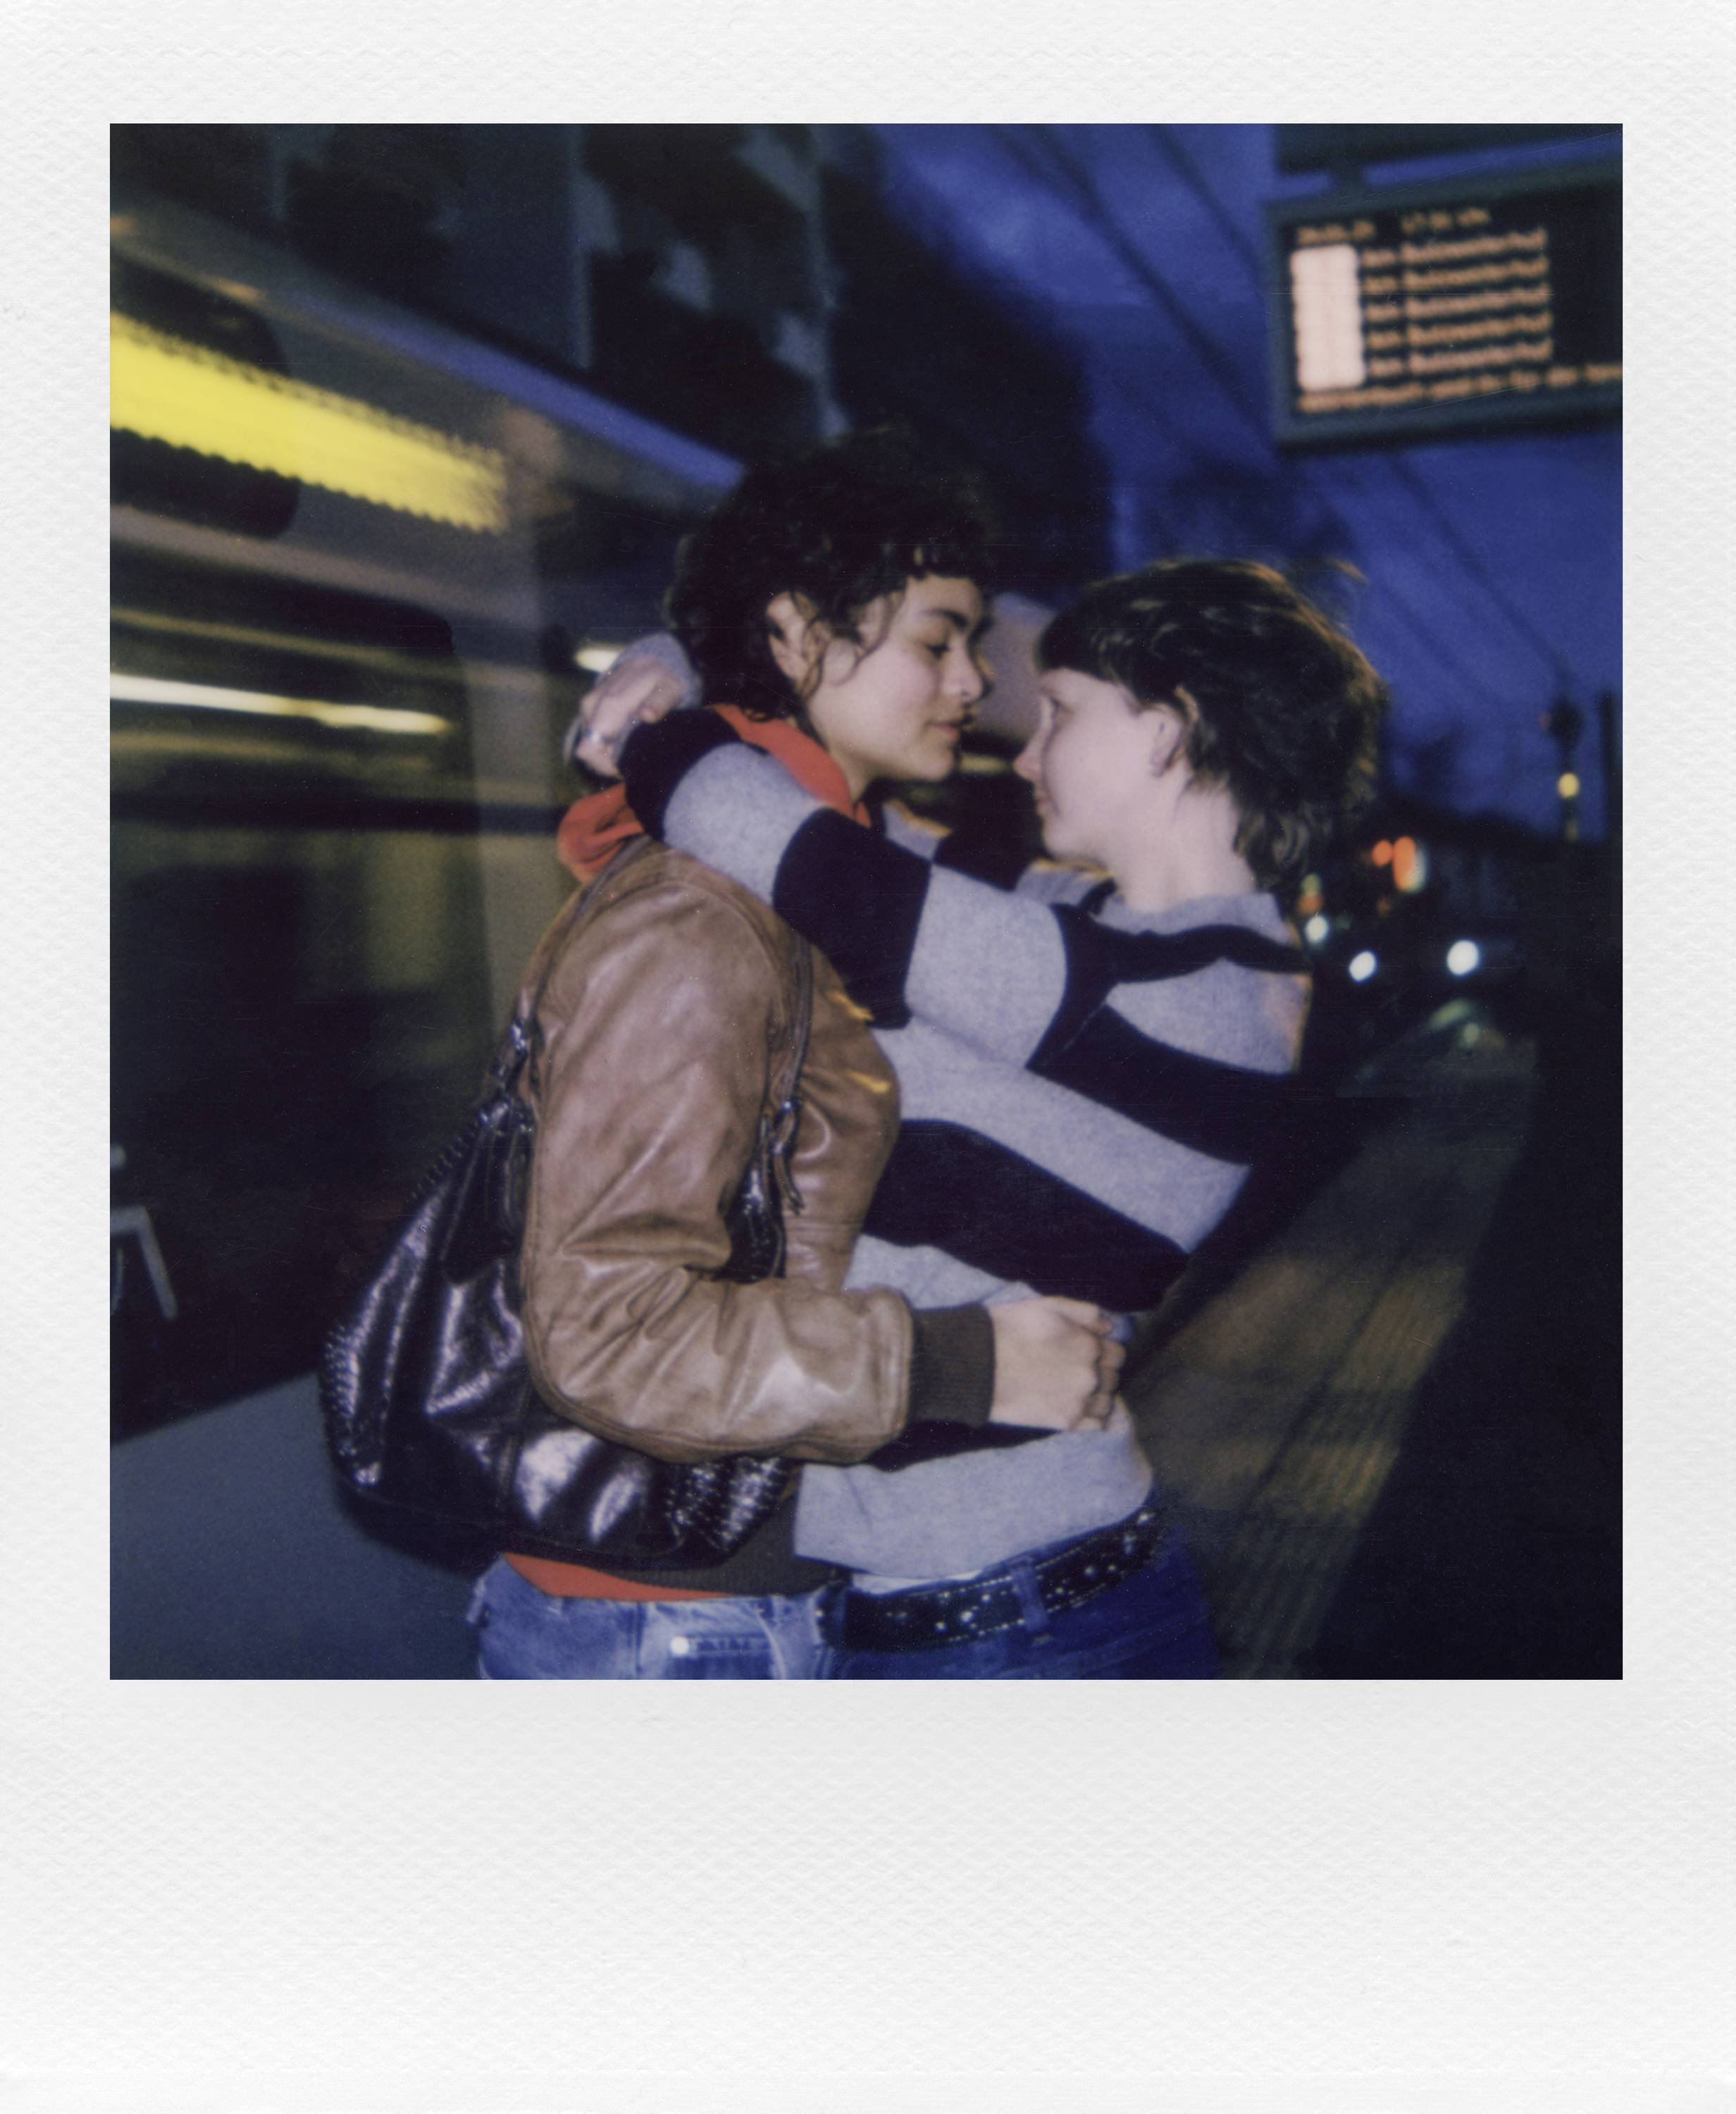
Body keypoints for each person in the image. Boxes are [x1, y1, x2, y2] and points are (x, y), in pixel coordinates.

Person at [583, 539, 1387, 1678]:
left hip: (1019, 1633)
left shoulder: (1192, 997)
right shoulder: (1092, 927)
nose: (1025, 757)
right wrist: (674, 661)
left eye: (1060, 714)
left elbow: (792, 848)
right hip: (972, 1607)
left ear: (1170, 727)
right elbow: (851, 821)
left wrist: (657, 714)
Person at [466, 435, 1120, 1680]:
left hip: (723, 1609)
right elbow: (608, 1330)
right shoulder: (702, 920)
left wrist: (694, 676)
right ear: (799, 630)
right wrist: (962, 1366)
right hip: (667, 1630)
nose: (974, 680)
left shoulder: (819, 873)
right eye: (937, 641)